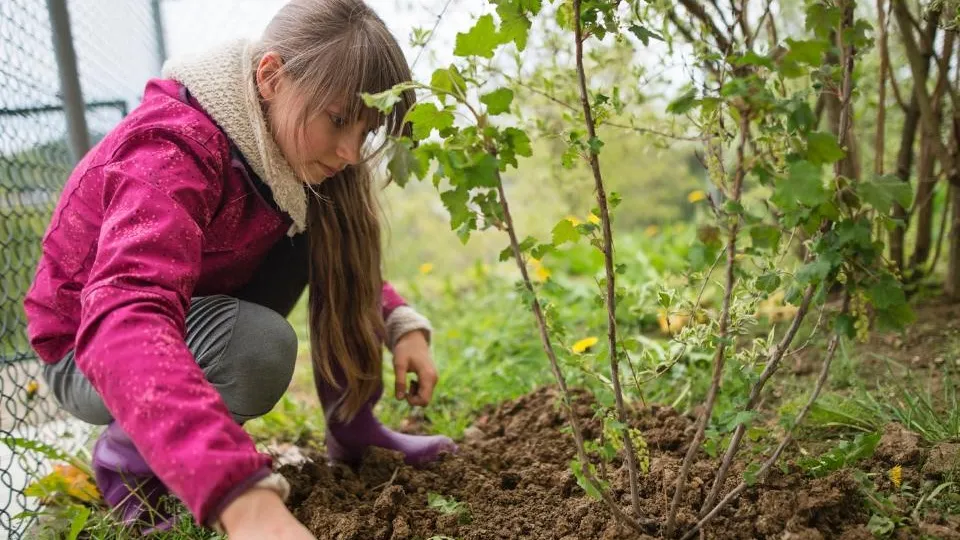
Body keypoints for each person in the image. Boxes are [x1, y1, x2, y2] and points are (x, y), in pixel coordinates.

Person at [23, 0, 457, 536]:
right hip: (90, 348)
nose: (349, 150)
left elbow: (344, 261)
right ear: (270, 76)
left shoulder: (287, 156)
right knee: (257, 347)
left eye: (364, 131)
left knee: (324, 222)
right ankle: (129, 464)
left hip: (187, 310)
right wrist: (239, 495)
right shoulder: (171, 148)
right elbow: (123, 316)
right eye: (339, 118)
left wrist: (397, 321)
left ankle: (354, 425)